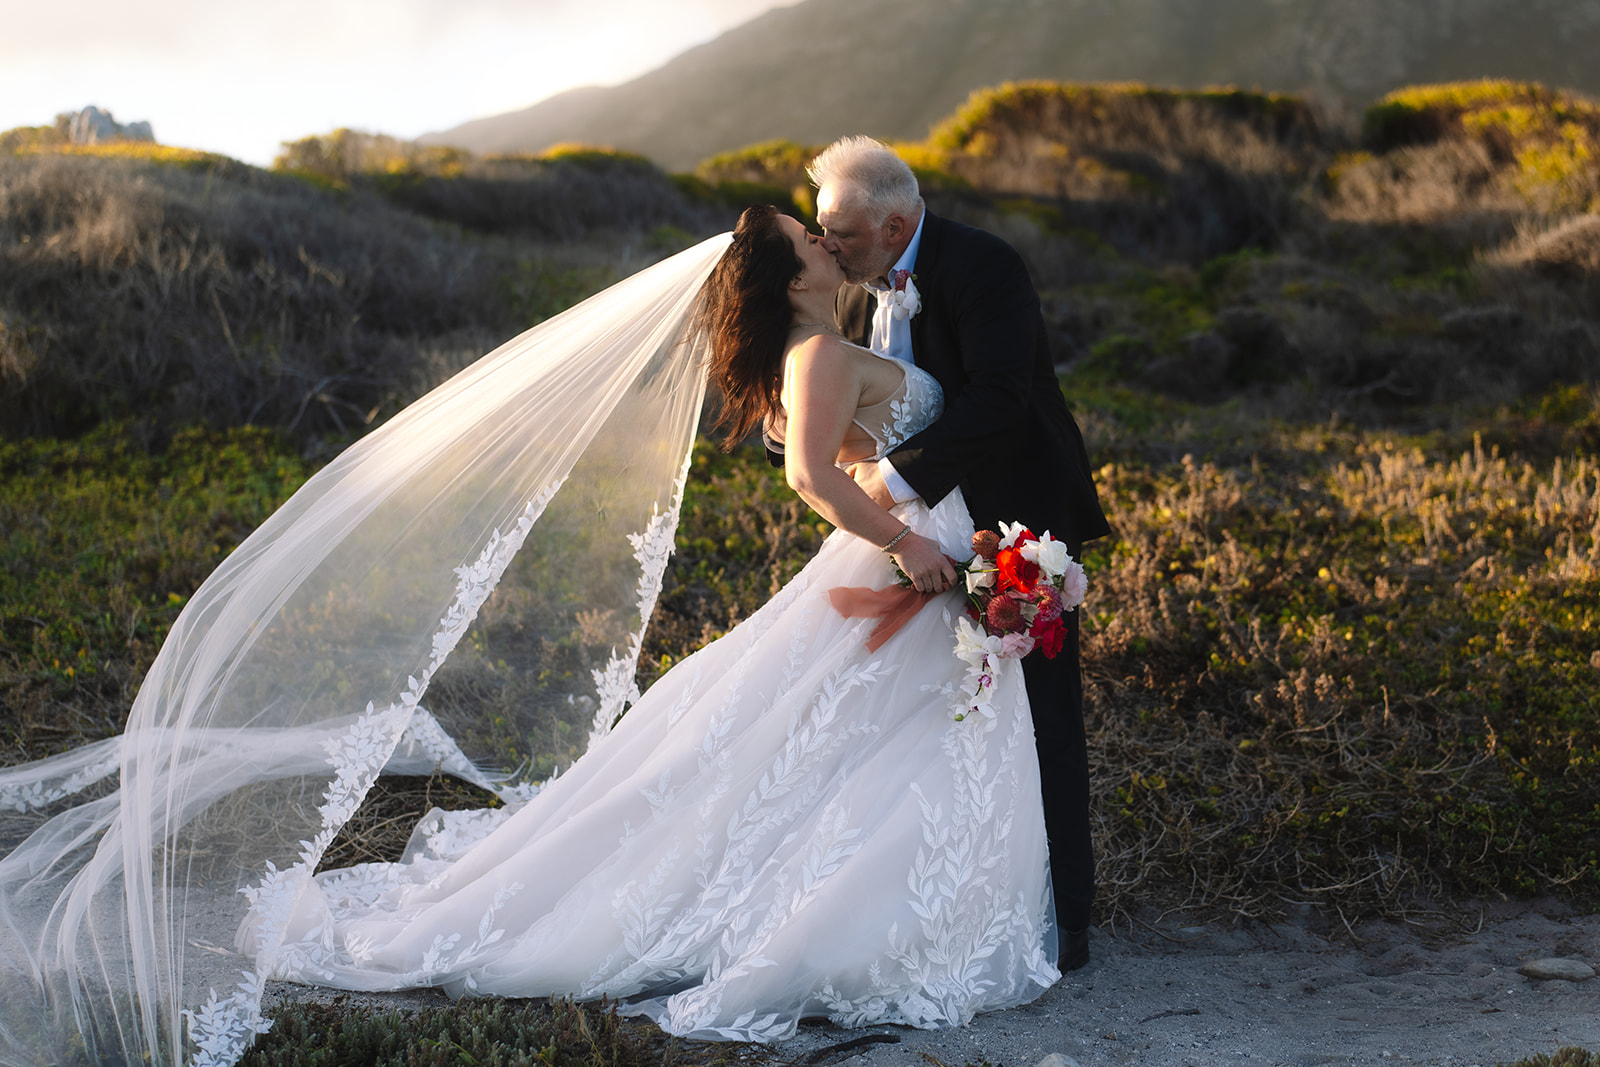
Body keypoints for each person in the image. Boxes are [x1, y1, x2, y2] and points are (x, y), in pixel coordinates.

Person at [0, 207, 1060, 1066]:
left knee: (819, 737)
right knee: (819, 736)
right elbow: (810, 473)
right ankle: (855, 912)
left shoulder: (840, 337)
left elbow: (866, 449)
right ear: (790, 279)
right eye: (811, 239)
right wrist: (911, 546)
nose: (829, 245)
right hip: (907, 554)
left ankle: (873, 890)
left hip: (919, 545)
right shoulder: (819, 348)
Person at [800, 136, 1111, 969]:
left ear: (897, 222)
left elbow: (1002, 401)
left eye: (845, 232)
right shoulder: (860, 291)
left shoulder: (985, 266)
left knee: (1041, 714)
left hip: (1014, 523)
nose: (829, 244)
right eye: (822, 232)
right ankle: (928, 902)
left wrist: (893, 485)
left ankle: (1064, 916)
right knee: (922, 713)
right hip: (918, 532)